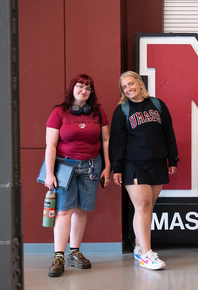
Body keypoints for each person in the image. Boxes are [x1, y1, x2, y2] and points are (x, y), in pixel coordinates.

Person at [109, 71, 178, 270]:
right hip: (134, 164)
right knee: (143, 206)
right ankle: (147, 254)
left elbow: (168, 133)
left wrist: (172, 159)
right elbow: (117, 141)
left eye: (131, 84)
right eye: (124, 87)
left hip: (157, 163)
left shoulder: (157, 105)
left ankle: (140, 248)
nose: (129, 88)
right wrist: (117, 167)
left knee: (148, 208)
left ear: (139, 83)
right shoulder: (122, 110)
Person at [44, 74, 111, 277]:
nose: (84, 90)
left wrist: (107, 167)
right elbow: (51, 145)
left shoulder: (98, 112)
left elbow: (106, 140)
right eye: (80, 86)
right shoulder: (59, 112)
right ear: (72, 88)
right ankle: (58, 256)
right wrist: (49, 173)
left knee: (82, 210)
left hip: (92, 166)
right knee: (64, 211)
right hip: (65, 167)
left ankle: (75, 252)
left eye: (88, 88)